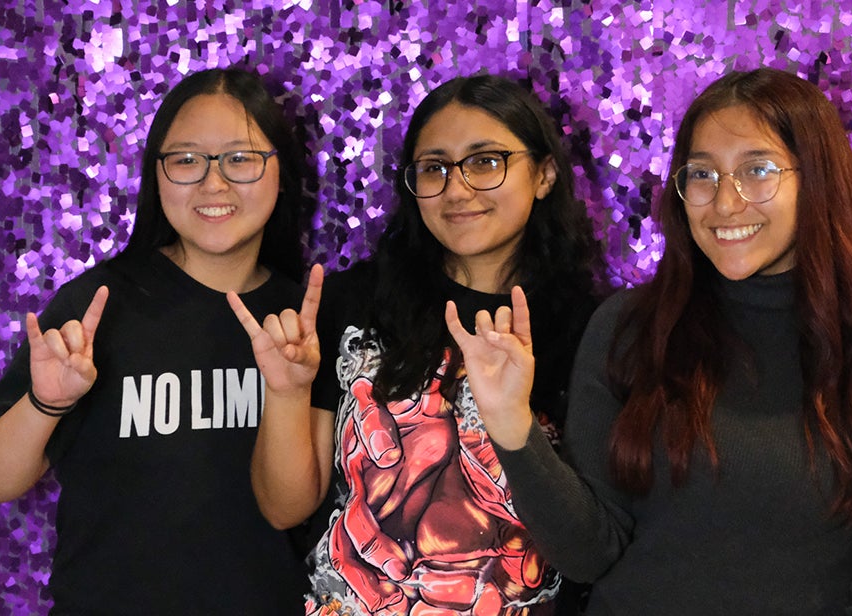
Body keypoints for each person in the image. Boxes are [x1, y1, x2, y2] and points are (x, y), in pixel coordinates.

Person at [451, 67, 852, 614]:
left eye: (757, 171)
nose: (725, 203)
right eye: (702, 175)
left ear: (817, 182)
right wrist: (511, 427)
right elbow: (588, 554)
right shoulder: (629, 329)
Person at [236, 74, 603, 615]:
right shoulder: (352, 304)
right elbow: (284, 509)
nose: (457, 189)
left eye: (485, 161)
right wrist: (287, 393)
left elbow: (591, 545)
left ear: (544, 174)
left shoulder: (593, 329)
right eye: (434, 168)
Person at [0, 67, 314, 615]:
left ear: (281, 173)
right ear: (157, 175)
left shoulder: (306, 323)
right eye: (186, 159)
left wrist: (290, 392)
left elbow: (291, 511)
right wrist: (46, 402)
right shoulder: (99, 306)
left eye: (240, 159)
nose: (213, 183)